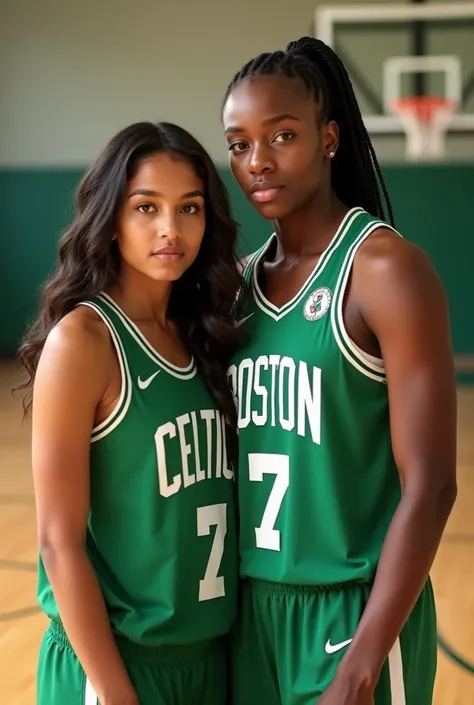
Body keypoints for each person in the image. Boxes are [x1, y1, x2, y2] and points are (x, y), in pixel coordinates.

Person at [221, 37, 457, 705]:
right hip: (251, 615)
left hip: (352, 618)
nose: (258, 161)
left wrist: (363, 660)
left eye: (282, 135)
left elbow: (433, 486)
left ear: (329, 139)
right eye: (239, 144)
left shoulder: (384, 270)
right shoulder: (235, 288)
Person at [15, 121, 244, 705]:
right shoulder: (86, 342)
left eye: (189, 208)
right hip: (115, 669)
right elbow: (57, 541)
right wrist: (118, 696)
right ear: (111, 219)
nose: (171, 229)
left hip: (206, 659)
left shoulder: (205, 336)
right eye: (147, 207)